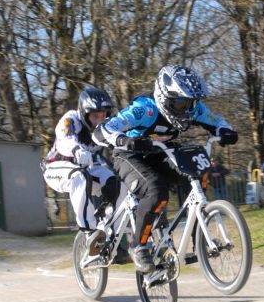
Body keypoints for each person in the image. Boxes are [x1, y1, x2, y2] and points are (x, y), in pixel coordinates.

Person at [93, 65, 238, 272]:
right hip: (129, 155)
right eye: (180, 101)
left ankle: (200, 236)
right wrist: (125, 140)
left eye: (190, 102)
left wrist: (225, 131)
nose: (187, 108)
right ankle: (139, 246)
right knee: (156, 189)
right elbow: (103, 130)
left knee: (198, 170)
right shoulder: (145, 109)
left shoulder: (192, 108)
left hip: (160, 152)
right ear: (165, 97)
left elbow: (215, 120)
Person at [42, 86, 128, 261]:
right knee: (79, 176)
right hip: (57, 167)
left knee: (117, 183)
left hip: (87, 167)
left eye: (103, 115)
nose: (100, 120)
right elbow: (65, 139)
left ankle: (114, 239)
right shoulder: (70, 120)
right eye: (95, 116)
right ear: (84, 113)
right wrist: (75, 150)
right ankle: (89, 231)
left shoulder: (106, 127)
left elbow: (121, 140)